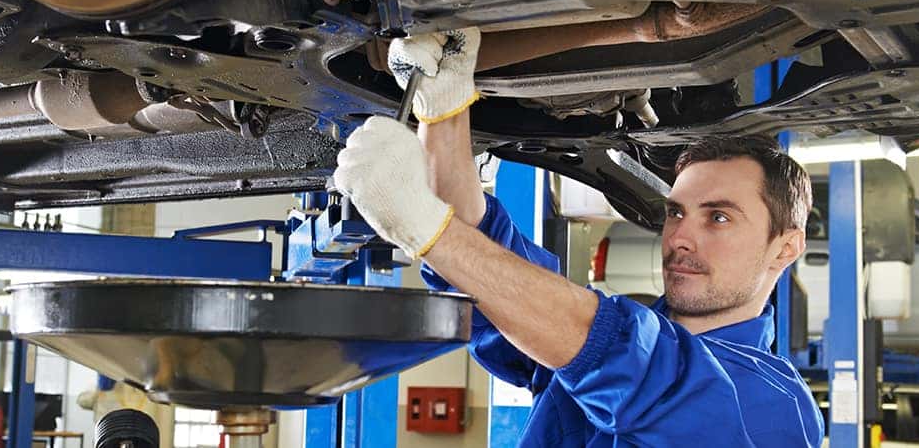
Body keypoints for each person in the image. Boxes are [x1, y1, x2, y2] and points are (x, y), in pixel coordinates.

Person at [332, 27, 823, 445]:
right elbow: (490, 278)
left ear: (786, 246)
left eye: (718, 217)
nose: (681, 237)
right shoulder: (585, 341)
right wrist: (442, 108)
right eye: (676, 213)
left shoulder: (777, 410)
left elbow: (625, 360)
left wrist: (423, 225)